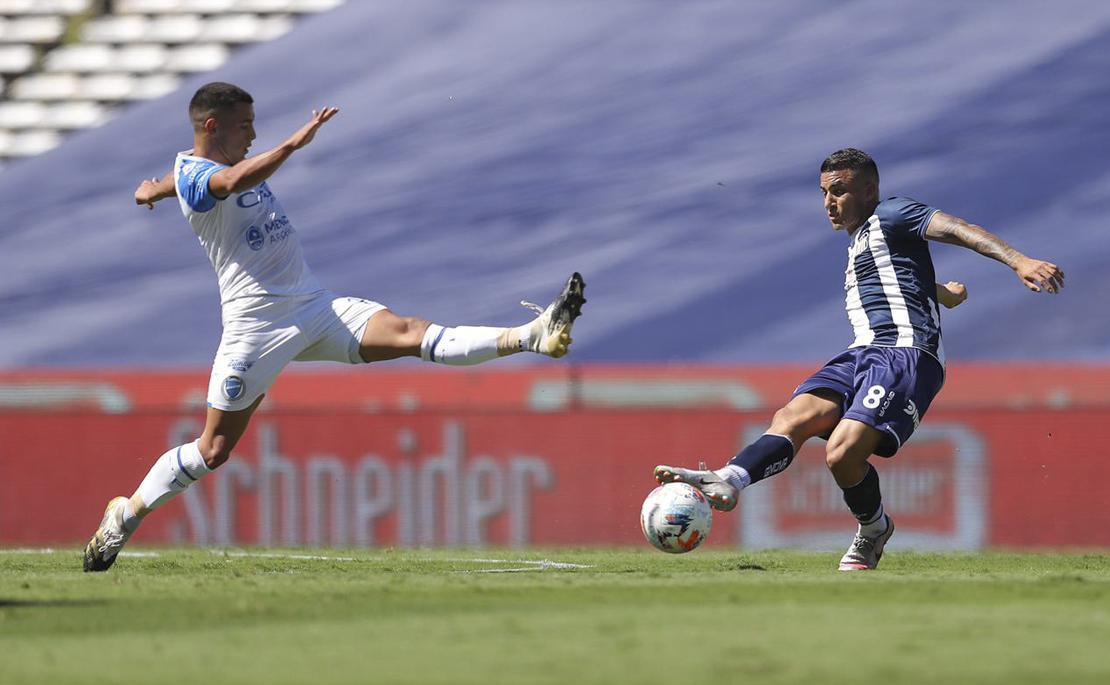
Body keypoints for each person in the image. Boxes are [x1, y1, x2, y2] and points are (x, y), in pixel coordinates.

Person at [83, 82, 587, 571]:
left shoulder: (201, 171)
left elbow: (194, 179)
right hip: (256, 327)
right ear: (212, 126)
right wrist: (292, 143)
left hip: (313, 306)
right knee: (214, 449)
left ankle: (531, 336)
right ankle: (125, 516)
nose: (253, 135)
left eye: (256, 127)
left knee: (411, 331)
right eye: (245, 126)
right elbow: (223, 184)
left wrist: (153, 189)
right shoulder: (211, 174)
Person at [655, 148, 1064, 571]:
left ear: (869, 190)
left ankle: (873, 528)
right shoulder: (863, 241)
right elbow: (902, 276)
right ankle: (730, 478)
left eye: (840, 191)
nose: (829, 203)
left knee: (841, 452)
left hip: (905, 352)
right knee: (794, 415)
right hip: (861, 352)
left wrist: (1020, 260)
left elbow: (959, 229)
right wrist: (944, 293)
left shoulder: (894, 213)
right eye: (824, 193)